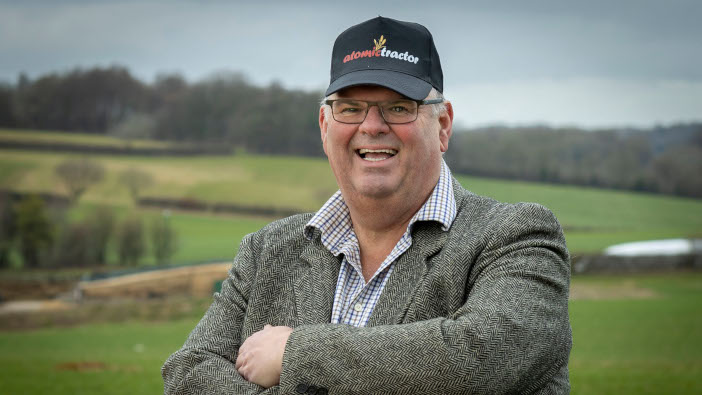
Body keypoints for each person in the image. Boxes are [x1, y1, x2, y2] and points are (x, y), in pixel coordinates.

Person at [163, 16, 572, 394]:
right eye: (350, 109)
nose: (372, 127)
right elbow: (188, 373)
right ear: (325, 127)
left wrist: (295, 353)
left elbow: (482, 355)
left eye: (398, 107)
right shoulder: (268, 250)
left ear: (443, 125)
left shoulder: (516, 237)